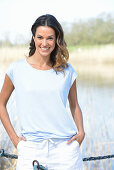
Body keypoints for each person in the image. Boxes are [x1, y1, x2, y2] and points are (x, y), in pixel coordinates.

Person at [0, 14, 85, 170]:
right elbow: (1, 104)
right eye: (40, 37)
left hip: (65, 150)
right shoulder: (16, 69)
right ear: (33, 38)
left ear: (57, 39)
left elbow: (74, 105)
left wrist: (81, 132)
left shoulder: (66, 70)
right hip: (31, 149)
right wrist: (15, 139)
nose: (44, 43)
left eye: (50, 38)